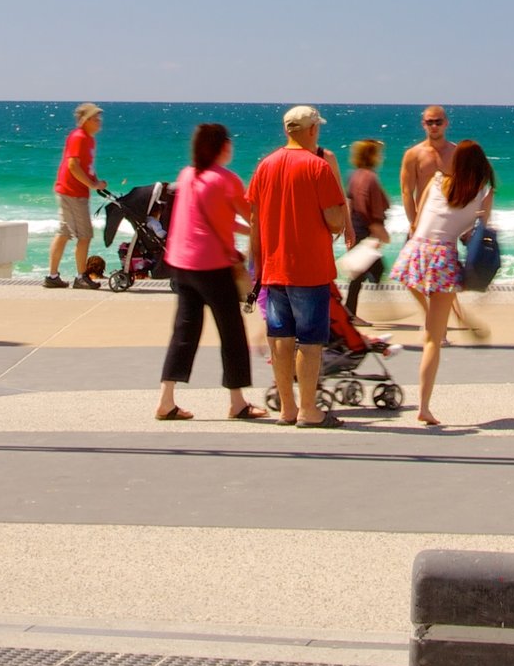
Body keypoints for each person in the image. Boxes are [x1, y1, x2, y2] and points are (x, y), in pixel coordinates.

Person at [157, 122, 265, 422]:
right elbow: (252, 216)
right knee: (232, 333)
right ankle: (237, 402)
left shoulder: (187, 175)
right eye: (228, 143)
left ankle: (166, 400)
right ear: (221, 147)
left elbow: (219, 218)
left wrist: (246, 229)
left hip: (181, 265)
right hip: (213, 266)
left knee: (184, 332)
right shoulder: (227, 179)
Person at [249, 106, 349, 428]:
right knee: (309, 340)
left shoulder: (265, 166)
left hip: (273, 266)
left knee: (280, 338)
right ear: (311, 131)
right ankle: (308, 409)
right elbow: (334, 219)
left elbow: (254, 218)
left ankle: (287, 408)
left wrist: (257, 264)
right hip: (309, 267)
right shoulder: (317, 167)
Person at [393, 139, 495, 427]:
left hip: (415, 250)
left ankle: (444, 315)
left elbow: (418, 221)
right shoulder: (483, 194)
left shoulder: (436, 180)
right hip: (443, 258)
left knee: (429, 326)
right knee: (433, 341)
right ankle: (424, 407)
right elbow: (477, 233)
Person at [45, 104, 108, 289]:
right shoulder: (78, 137)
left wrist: (96, 182)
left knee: (64, 232)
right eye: (95, 118)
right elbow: (73, 165)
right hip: (72, 192)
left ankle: (52, 276)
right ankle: (81, 277)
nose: (99, 122)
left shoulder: (89, 140)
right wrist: (92, 184)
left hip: (73, 191)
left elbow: (86, 167)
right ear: (86, 120)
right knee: (85, 234)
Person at [342, 139, 391, 323]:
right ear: (372, 155)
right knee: (372, 271)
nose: (381, 156)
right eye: (378, 152)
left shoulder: (354, 175)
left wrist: (347, 229)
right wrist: (380, 232)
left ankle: (351, 312)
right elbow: (365, 208)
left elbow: (349, 204)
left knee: (362, 274)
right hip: (364, 232)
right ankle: (383, 309)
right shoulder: (369, 178)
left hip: (356, 230)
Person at [398, 106, 453, 231]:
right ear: (424, 124)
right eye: (430, 122)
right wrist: (414, 224)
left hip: (449, 224)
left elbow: (465, 189)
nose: (434, 126)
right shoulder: (413, 155)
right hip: (422, 221)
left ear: (446, 123)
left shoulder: (456, 153)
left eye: (438, 122)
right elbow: (406, 192)